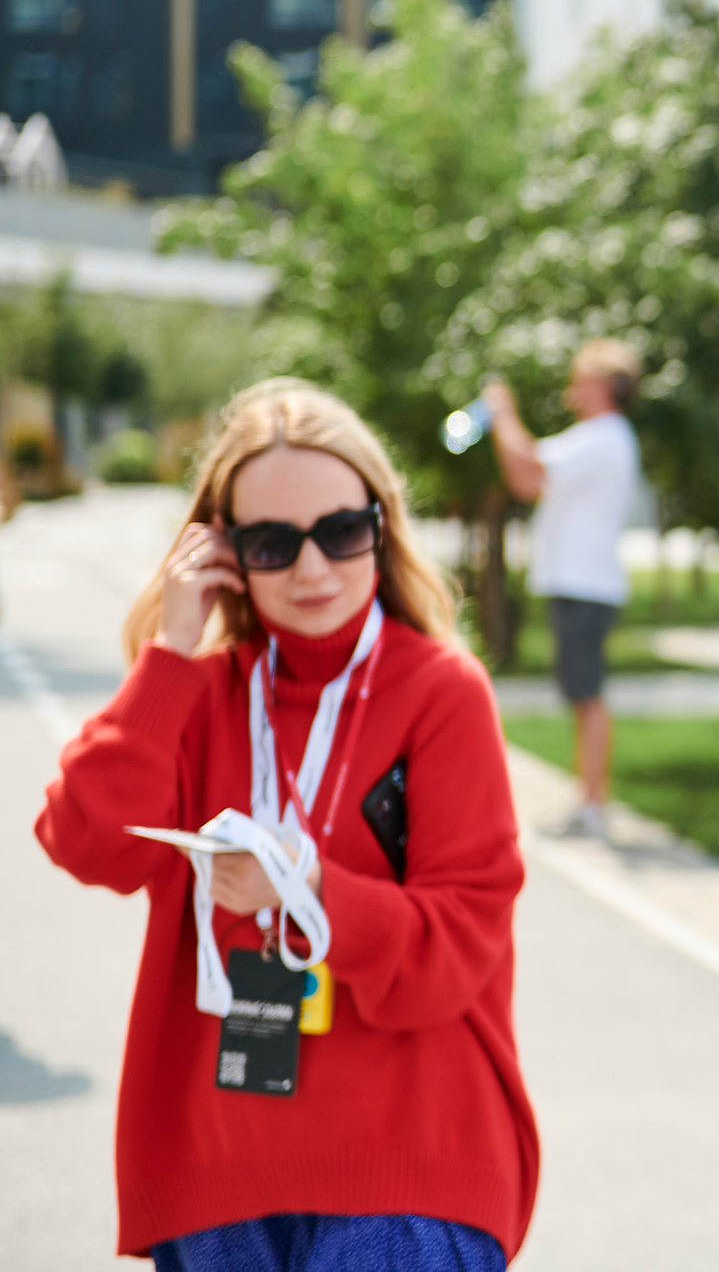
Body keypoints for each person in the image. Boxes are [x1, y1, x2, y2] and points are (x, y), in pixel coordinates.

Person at [36, 378, 538, 1269]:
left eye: (340, 532)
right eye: (272, 542)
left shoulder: (441, 692)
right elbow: (83, 840)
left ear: (381, 527)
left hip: (409, 1171)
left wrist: (310, 891)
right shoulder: (196, 692)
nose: (312, 569)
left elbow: (458, 948)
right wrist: (169, 652)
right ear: (222, 550)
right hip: (216, 1175)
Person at [485, 339, 644, 837]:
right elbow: (526, 476)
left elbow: (527, 473)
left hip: (585, 584)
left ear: (603, 384)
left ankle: (593, 803)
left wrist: (503, 414)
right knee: (582, 693)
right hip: (581, 583)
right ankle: (589, 798)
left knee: (586, 693)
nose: (572, 386)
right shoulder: (598, 438)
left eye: (581, 378)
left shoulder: (602, 438)